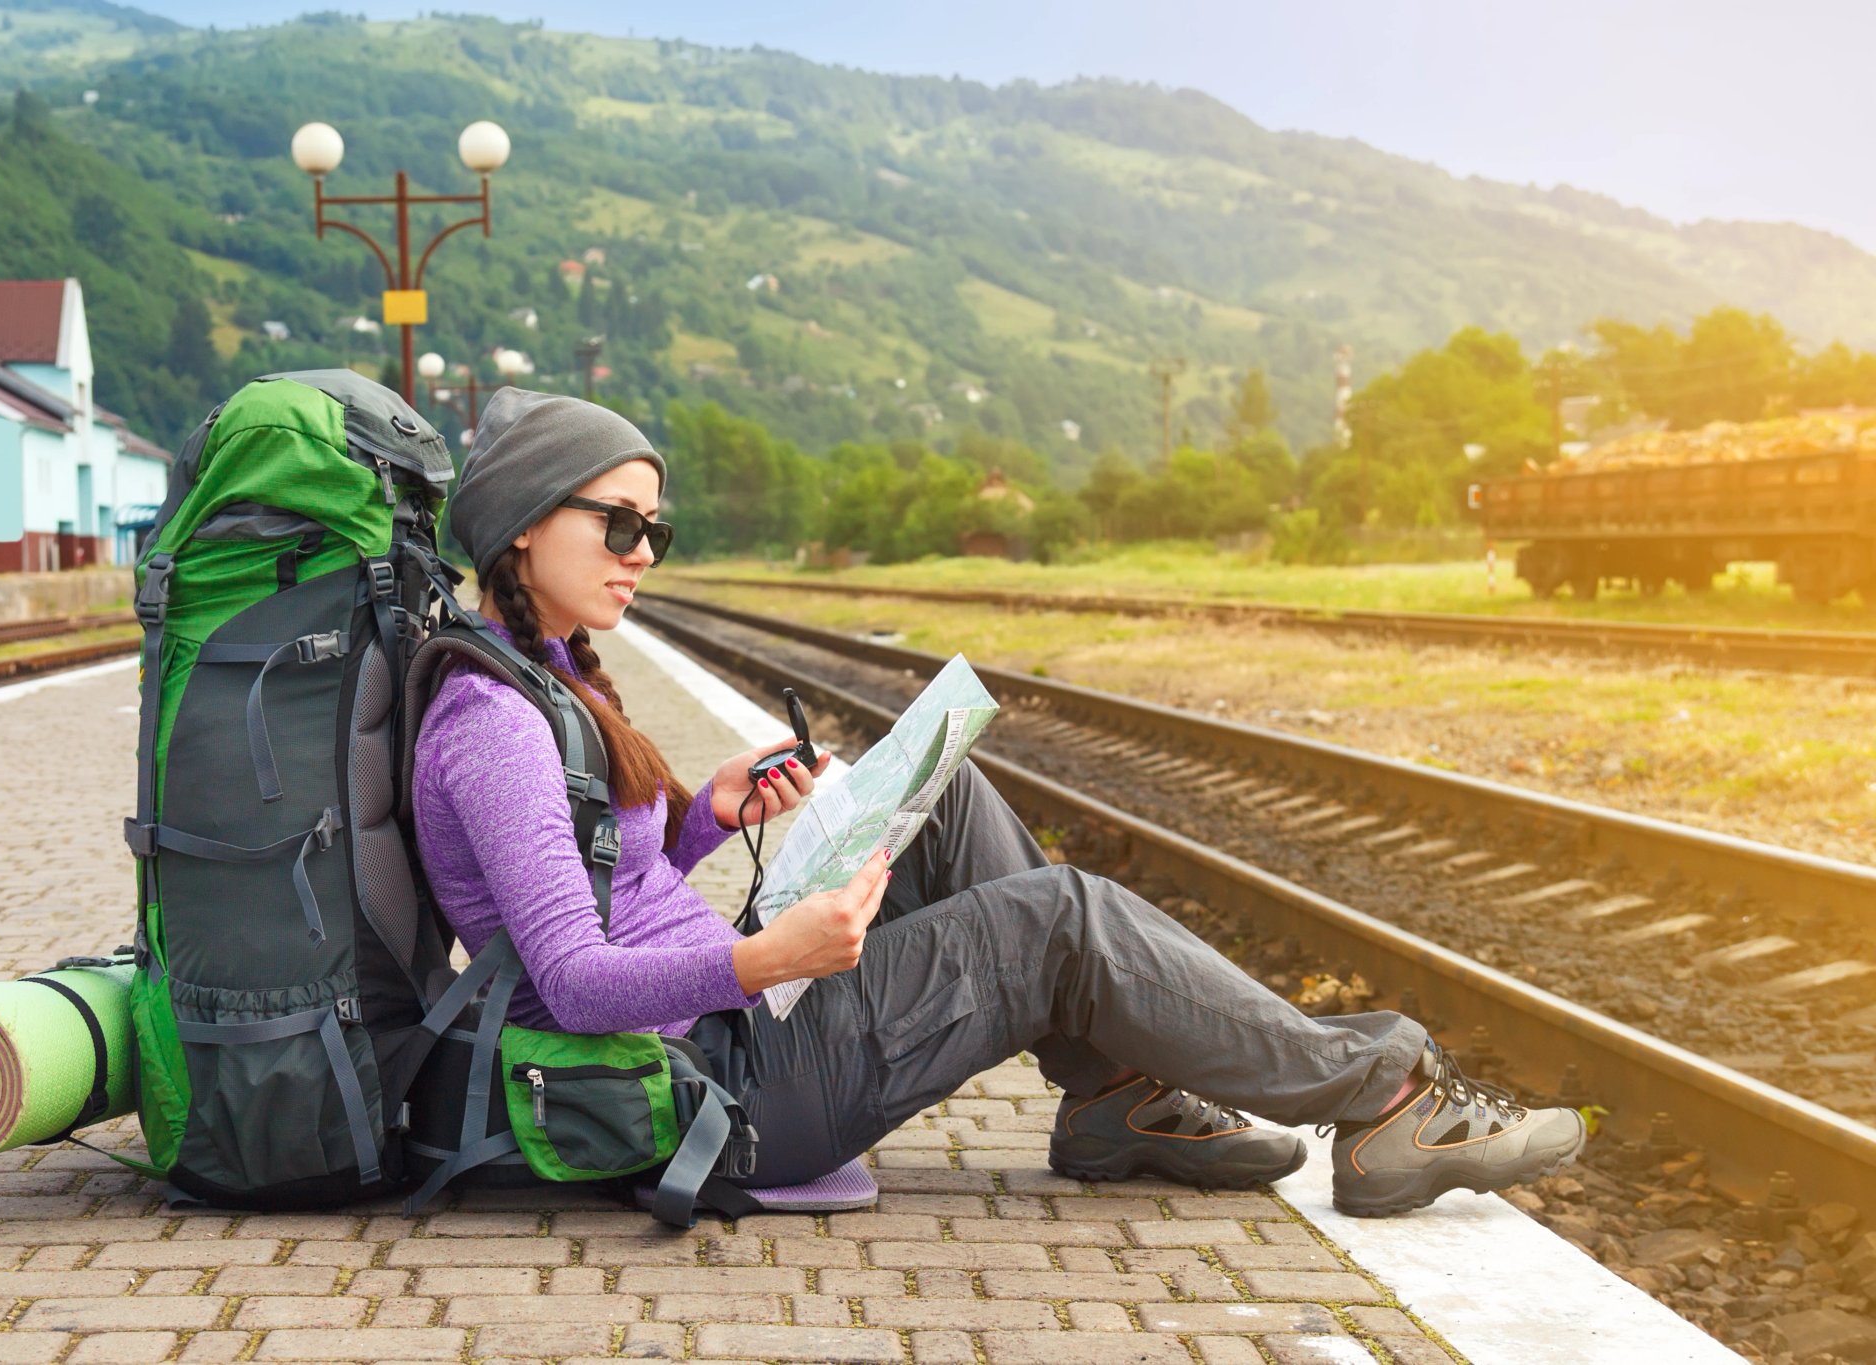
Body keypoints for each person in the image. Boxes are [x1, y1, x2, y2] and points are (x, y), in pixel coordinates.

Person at [411, 389, 1585, 1218]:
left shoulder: (550, 669)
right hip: (719, 1093)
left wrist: (709, 812)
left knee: (949, 796)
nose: (643, 552)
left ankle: (1114, 1098)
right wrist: (770, 959)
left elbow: (604, 869)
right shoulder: (493, 721)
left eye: (653, 530)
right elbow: (571, 980)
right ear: (523, 524)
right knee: (1058, 918)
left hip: (721, 1038)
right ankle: (1382, 1099)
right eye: (617, 525)